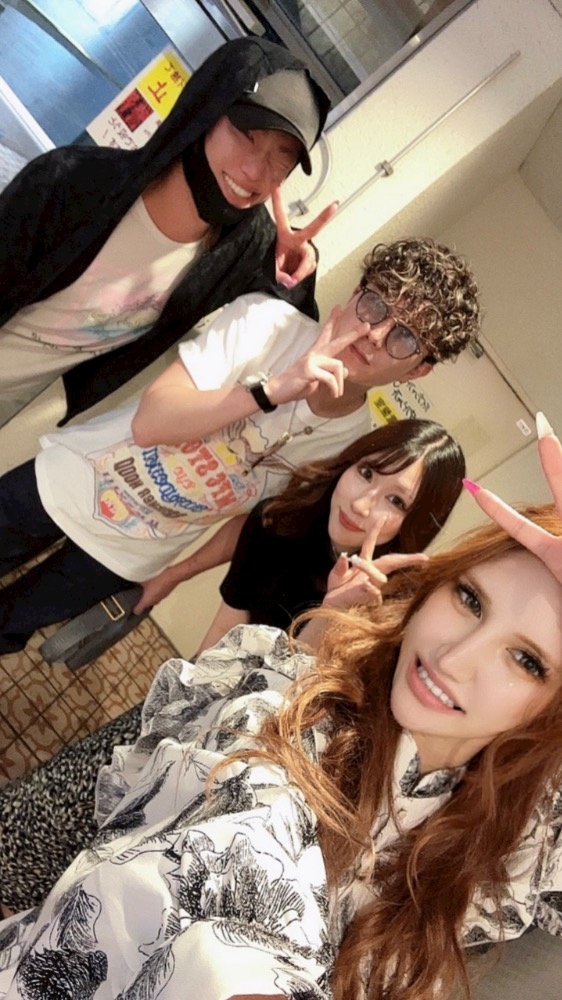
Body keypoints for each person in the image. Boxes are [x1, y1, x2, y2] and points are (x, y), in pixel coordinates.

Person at [2, 498, 562, 998]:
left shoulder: (512, 845)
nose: (455, 659)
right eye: (470, 598)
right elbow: (241, 840)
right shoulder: (291, 713)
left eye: (526, 661)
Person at [0, 418, 465, 915]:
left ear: (416, 525)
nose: (364, 504)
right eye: (367, 472)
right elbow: (213, 658)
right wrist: (174, 730)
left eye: (396, 501)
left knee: (108, 899)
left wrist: (336, 618)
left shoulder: (395, 616)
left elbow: (302, 729)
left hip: (251, 776)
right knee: (31, 831)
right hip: (197, 716)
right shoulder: (281, 523)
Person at [0, 237, 480, 656]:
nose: (374, 333)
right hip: (62, 483)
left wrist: (174, 574)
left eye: (405, 336)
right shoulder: (264, 323)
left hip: (128, 555)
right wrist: (271, 391)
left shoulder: (359, 447)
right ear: (355, 293)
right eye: (376, 303)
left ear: (419, 369)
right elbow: (151, 422)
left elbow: (261, 518)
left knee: (7, 628)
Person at [0, 36, 335, 425]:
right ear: (207, 110)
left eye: (282, 158)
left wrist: (299, 265)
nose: (255, 170)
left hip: (22, 424)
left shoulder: (242, 248)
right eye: (247, 135)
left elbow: (291, 326)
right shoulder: (74, 182)